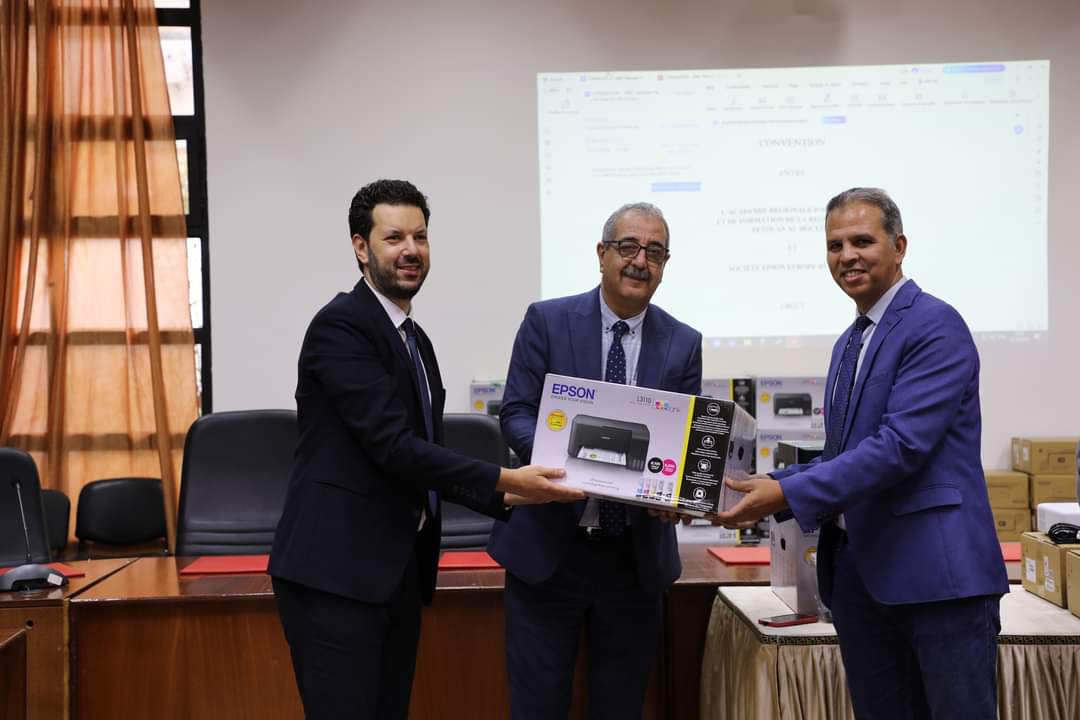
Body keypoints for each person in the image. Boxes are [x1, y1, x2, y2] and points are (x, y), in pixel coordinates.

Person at [268, 179, 583, 720]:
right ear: (361, 247)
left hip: (394, 573)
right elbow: (395, 448)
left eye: (420, 236)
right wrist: (507, 480)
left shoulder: (414, 339)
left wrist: (514, 496)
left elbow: (423, 455)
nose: (410, 250)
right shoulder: (342, 326)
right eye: (394, 238)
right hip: (335, 577)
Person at [714, 188, 1008, 719]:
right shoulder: (850, 341)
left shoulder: (935, 324)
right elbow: (845, 454)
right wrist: (769, 486)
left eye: (862, 241)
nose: (847, 255)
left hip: (937, 581)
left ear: (899, 246)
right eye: (835, 245)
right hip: (861, 580)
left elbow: (900, 447)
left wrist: (785, 493)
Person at [488, 202, 702, 719]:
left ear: (665, 264)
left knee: (619, 708)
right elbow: (516, 411)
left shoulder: (684, 343)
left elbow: (684, 444)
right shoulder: (547, 320)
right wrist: (564, 462)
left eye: (655, 252)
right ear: (602, 253)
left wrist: (680, 492)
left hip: (634, 560)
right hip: (549, 554)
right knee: (537, 708)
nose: (640, 261)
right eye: (628, 247)